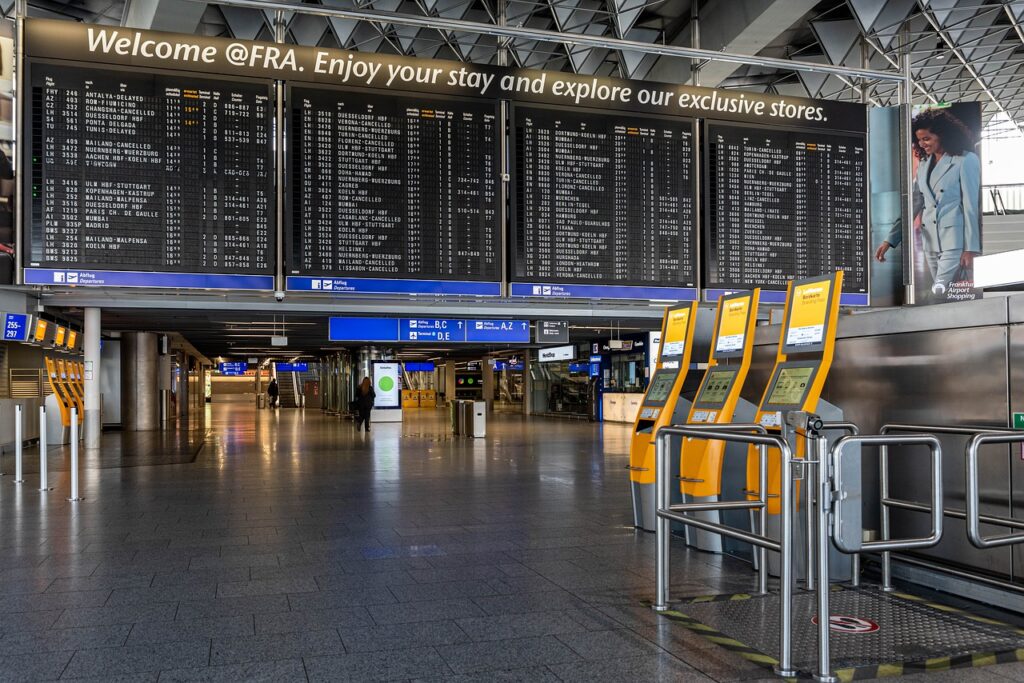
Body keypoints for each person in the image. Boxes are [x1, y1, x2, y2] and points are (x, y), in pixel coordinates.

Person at [875, 108, 981, 298]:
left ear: (942, 135)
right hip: (930, 242)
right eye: (919, 140)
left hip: (955, 242)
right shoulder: (924, 164)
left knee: (938, 291)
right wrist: (890, 240)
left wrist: (971, 249)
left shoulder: (965, 160)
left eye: (927, 138)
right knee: (947, 295)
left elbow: (971, 207)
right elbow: (914, 204)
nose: (922, 144)